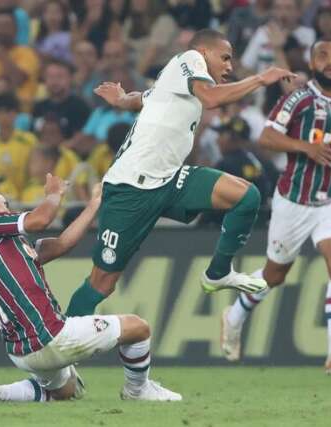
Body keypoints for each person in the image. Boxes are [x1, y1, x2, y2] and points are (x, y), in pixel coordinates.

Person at [64, 29, 295, 318]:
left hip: (170, 179)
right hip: (130, 187)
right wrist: (261, 79)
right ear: (203, 52)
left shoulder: (175, 82)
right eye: (224, 58)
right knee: (102, 284)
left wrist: (122, 99)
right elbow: (211, 98)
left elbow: (145, 97)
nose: (230, 66)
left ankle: (218, 273)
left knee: (246, 196)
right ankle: (62, 348)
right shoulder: (189, 59)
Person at [0, 178, 181, 403]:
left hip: (22, 352)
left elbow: (64, 243)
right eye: (6, 203)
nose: (10, 208)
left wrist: (94, 204)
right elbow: (40, 220)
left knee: (65, 390)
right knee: (138, 328)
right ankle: (138, 390)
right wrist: (55, 194)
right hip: (50, 335)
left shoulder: (4, 246)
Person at [219, 39, 331, 376]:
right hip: (294, 200)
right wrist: (305, 148)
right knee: (275, 274)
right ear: (313, 64)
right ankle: (234, 315)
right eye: (324, 56)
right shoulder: (299, 98)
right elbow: (268, 137)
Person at [0, 92, 37, 194]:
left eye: (8, 112)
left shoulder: (29, 141)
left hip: (24, 200)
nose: (3, 116)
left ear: (15, 114)